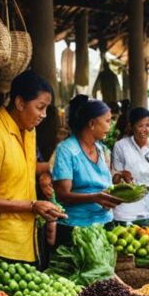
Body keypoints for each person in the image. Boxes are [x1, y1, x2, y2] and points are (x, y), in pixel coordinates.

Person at [0, 71, 66, 271]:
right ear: (19, 103)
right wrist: (32, 206)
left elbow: (21, 169)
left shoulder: (28, 130)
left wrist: (48, 173)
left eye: (46, 108)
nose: (44, 115)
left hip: (22, 241)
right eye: (40, 107)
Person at [52, 95, 121, 248]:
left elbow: (104, 184)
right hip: (77, 228)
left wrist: (120, 183)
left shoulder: (102, 150)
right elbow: (62, 195)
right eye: (108, 121)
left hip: (105, 224)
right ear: (92, 123)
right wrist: (94, 198)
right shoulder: (67, 150)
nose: (110, 126)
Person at [111, 107, 149, 226]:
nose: (144, 130)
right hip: (124, 211)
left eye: (148, 125)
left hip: (147, 209)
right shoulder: (121, 146)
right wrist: (122, 174)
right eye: (140, 126)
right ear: (131, 126)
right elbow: (115, 180)